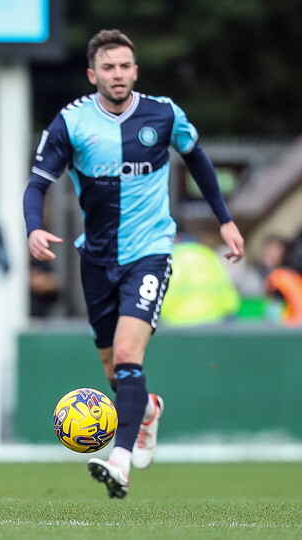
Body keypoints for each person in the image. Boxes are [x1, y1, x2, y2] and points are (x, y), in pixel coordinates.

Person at [23, 29, 244, 499]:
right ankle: (146, 411)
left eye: (125, 66)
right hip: (97, 257)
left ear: (135, 70)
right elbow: (38, 182)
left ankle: (119, 463)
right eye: (108, 67)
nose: (117, 74)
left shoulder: (163, 114)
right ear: (93, 74)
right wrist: (33, 227)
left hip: (150, 251)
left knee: (127, 355)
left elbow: (198, 159)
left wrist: (225, 220)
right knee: (112, 366)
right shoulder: (73, 121)